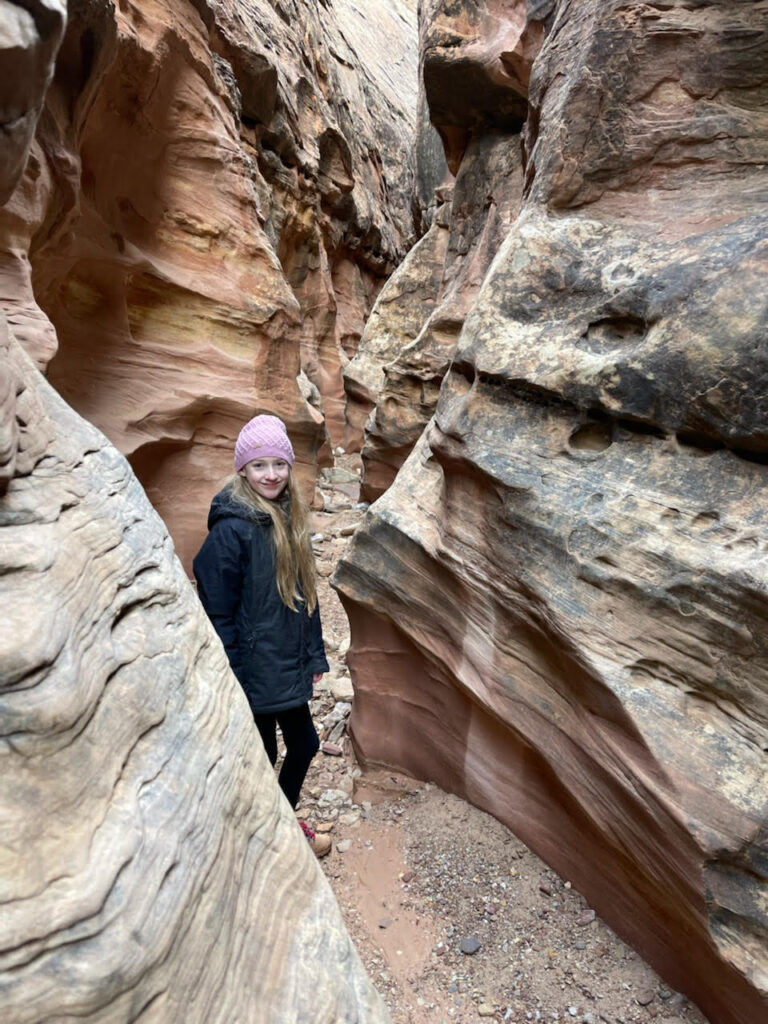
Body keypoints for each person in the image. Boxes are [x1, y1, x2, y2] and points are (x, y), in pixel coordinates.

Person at [193, 414, 331, 857]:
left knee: (305, 745)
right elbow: (216, 612)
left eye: (279, 464)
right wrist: (231, 672)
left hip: (285, 665)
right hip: (253, 671)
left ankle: (277, 822)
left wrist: (313, 658)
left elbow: (305, 599)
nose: (270, 474)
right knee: (262, 753)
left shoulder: (288, 518)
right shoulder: (231, 530)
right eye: (259, 465)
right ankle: (261, 833)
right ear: (242, 470)